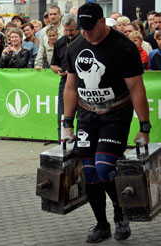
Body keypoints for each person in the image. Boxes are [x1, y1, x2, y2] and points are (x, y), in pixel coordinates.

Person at [63, 3, 151, 243]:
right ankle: (101, 225)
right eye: (83, 28)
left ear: (103, 22)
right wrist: (67, 123)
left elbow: (136, 88)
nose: (87, 33)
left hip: (116, 115)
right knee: (89, 173)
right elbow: (71, 87)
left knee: (104, 167)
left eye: (91, 27)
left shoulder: (124, 47)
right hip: (87, 116)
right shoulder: (76, 46)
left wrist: (144, 128)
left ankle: (120, 214)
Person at [50, 14, 80, 142]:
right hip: (65, 82)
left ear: (77, 27)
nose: (69, 33)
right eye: (66, 30)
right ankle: (61, 143)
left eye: (72, 30)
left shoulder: (84, 41)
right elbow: (53, 64)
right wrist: (58, 70)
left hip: (82, 82)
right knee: (62, 115)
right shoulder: (60, 43)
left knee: (83, 117)